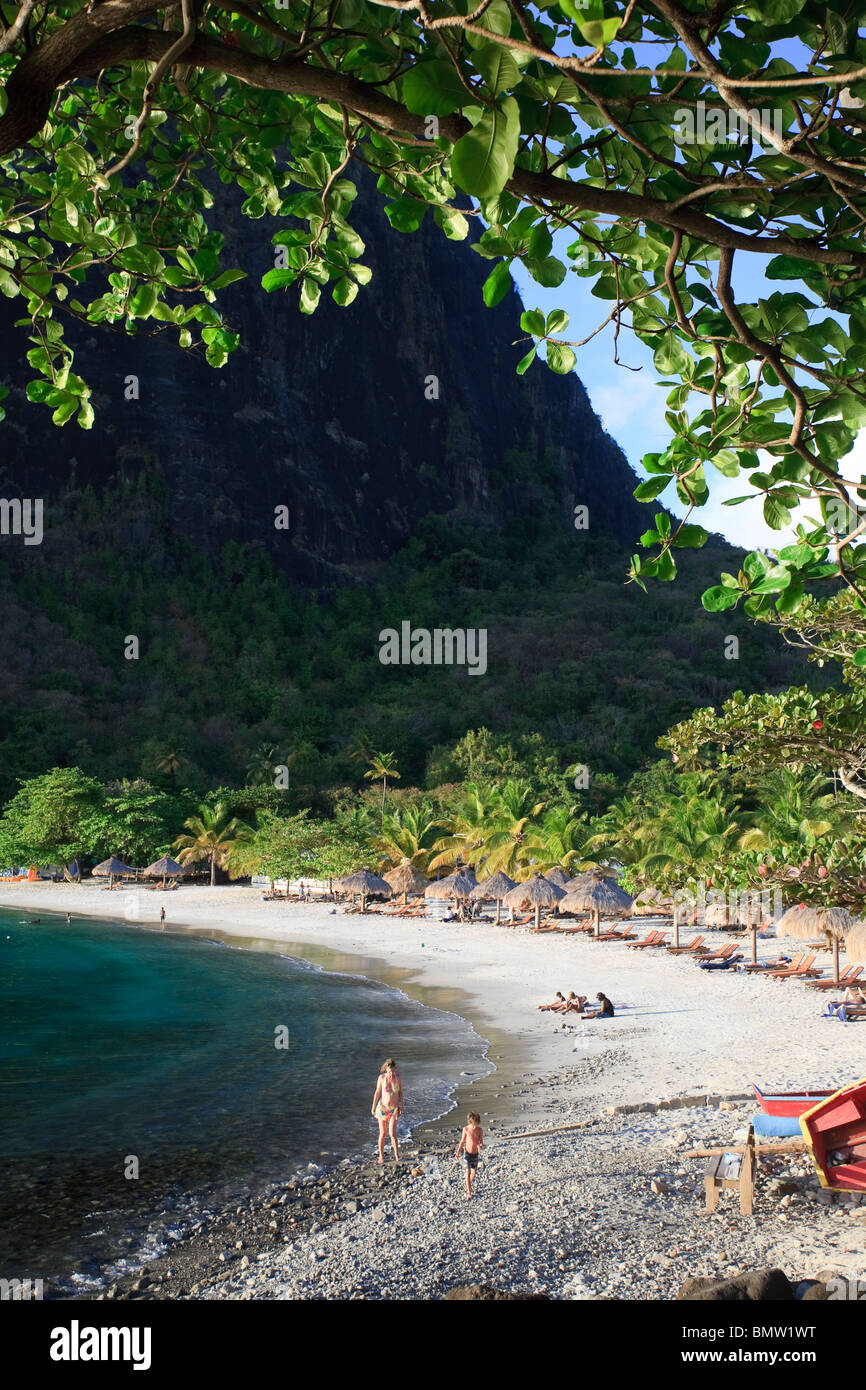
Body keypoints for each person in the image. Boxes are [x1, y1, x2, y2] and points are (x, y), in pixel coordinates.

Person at [371, 1058, 403, 1165]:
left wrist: (401, 1106)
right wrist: (373, 1107)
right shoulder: (381, 1078)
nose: (391, 1073)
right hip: (382, 1109)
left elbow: (400, 1093)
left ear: (395, 1069)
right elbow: (377, 1093)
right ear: (386, 1069)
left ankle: (396, 1154)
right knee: (383, 1133)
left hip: (394, 1109)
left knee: (392, 1133)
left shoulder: (398, 1078)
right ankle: (381, 1156)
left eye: (392, 1071)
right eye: (389, 1071)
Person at [455, 1112, 484, 1200]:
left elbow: (481, 1141)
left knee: (474, 1172)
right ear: (470, 1122)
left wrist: (480, 1145)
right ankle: (469, 1191)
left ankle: (469, 1185)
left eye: (476, 1124)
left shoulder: (479, 1130)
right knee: (467, 1172)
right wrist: (458, 1152)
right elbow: (462, 1141)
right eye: (474, 1124)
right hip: (467, 1153)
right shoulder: (466, 1129)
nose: (475, 1126)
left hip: (475, 1153)